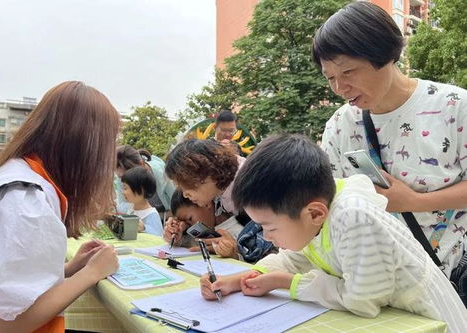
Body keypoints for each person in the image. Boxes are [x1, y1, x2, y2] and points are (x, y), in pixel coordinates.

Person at [200, 133, 467, 332]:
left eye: (270, 227)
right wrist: (243, 278)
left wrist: (287, 283)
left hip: (432, 322)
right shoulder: (316, 214)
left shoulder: (353, 218)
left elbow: (362, 301)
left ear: (314, 213)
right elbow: (293, 257)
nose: (267, 237)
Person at [313, 2, 467, 283]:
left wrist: (417, 202)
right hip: (376, 283)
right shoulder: (340, 126)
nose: (339, 88)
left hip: (446, 280)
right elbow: (329, 199)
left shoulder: (455, 107)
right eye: (330, 77)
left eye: (347, 72)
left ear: (384, 55)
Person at [0, 81, 120, 332]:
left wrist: (69, 269)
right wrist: (90, 273)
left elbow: (8, 282)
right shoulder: (24, 200)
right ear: (85, 147)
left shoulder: (19, 178)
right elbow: (6, 326)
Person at [164, 139, 274, 263]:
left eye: (185, 185)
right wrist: (181, 228)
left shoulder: (250, 187)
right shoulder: (223, 192)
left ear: (203, 173)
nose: (184, 194)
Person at [163, 189, 243, 258]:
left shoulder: (238, 233)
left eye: (190, 219)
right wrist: (174, 235)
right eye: (186, 224)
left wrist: (233, 255)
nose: (192, 227)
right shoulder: (202, 231)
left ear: (206, 203)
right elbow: (183, 244)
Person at [115, 145, 175, 217]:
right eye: (120, 177)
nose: (125, 182)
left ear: (141, 164)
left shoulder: (162, 174)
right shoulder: (121, 179)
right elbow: (122, 206)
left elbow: (178, 205)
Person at [121, 166, 163, 236]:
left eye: (125, 188)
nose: (123, 192)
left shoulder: (151, 214)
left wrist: (144, 228)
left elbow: (159, 236)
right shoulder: (129, 208)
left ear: (141, 189)